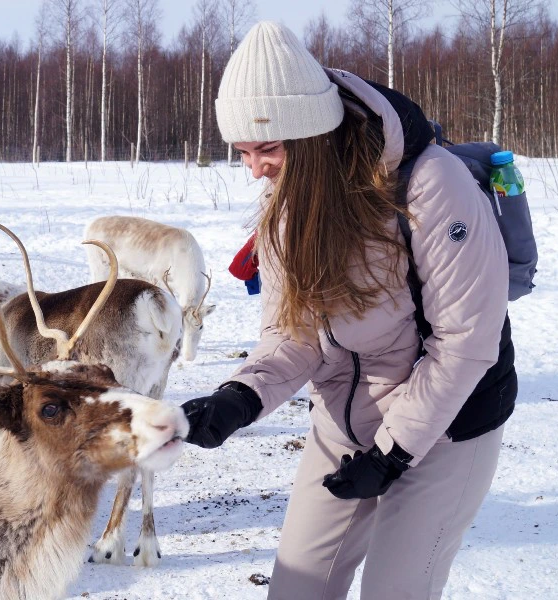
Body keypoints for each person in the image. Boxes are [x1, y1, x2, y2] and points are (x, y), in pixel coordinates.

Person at [181, 21, 516, 600]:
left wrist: (391, 455)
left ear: (312, 139)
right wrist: (241, 397)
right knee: (297, 589)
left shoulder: (433, 185)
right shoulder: (288, 206)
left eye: (267, 149)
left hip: (446, 426)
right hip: (345, 421)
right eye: (242, 152)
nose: (253, 169)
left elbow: (464, 343)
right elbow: (294, 334)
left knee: (395, 590)